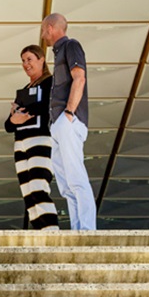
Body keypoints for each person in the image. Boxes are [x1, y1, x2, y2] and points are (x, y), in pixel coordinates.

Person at [40, 13, 96, 231]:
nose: (43, 34)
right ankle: (77, 229)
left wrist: (69, 113)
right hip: (58, 125)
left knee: (76, 179)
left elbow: (79, 78)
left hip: (67, 121)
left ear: (52, 27)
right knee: (65, 185)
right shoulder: (58, 53)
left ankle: (88, 231)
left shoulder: (71, 46)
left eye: (44, 30)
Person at [4, 44, 60, 230]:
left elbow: (46, 107)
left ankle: (52, 233)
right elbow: (8, 125)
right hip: (20, 143)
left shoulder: (50, 82)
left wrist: (21, 113)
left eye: (29, 59)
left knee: (38, 188)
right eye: (23, 60)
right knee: (28, 194)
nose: (26, 64)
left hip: (40, 139)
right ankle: (40, 233)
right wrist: (16, 117)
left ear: (41, 59)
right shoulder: (24, 90)